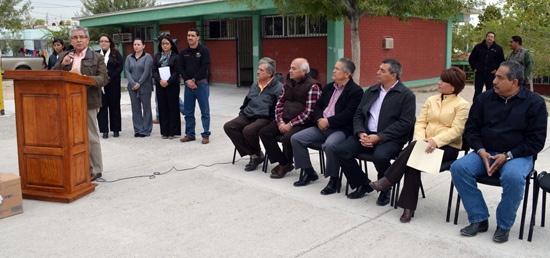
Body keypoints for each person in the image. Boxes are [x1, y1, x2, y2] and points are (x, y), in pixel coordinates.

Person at [450, 60, 547, 243]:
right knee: (459, 168)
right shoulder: (484, 99)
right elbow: (471, 130)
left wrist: (509, 155)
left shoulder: (535, 103)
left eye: (499, 78)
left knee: (513, 177)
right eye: (495, 77)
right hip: (485, 152)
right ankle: (479, 218)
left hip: (517, 155)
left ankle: (504, 225)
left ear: (514, 82)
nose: (494, 81)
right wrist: (480, 150)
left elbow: (536, 141)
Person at [369, 67, 470, 222]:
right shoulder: (431, 100)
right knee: (414, 162)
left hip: (447, 148)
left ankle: (388, 181)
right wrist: (421, 140)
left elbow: (456, 131)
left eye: (444, 81)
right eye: (440, 79)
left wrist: (435, 141)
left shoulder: (462, 105)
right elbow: (421, 122)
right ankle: (407, 207)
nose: (439, 83)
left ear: (454, 86)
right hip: (423, 144)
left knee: (413, 157)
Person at [334, 58, 415, 206]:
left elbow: (405, 124)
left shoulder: (406, 95)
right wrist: (360, 132)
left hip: (391, 139)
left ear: (393, 75)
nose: (377, 72)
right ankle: (363, 184)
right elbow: (358, 114)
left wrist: (379, 137)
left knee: (380, 156)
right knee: (340, 150)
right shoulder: (371, 91)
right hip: (366, 134)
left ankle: (385, 189)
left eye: (382, 71)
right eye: (379, 69)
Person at [290, 58, 363, 194]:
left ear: (347, 74)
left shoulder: (356, 91)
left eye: (337, 69)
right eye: (334, 68)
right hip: (321, 126)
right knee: (296, 138)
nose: (333, 71)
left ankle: (334, 180)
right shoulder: (329, 87)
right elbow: (318, 106)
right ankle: (309, 171)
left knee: (330, 145)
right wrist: (319, 120)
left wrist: (328, 122)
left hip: (340, 129)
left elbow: (349, 114)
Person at [53, 26, 109, 182]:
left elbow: (104, 78)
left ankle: (96, 169)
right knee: (69, 137)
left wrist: (86, 79)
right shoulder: (64, 55)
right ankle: (76, 166)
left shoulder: (97, 57)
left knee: (90, 137)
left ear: (88, 40)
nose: (79, 40)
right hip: (66, 103)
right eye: (75, 37)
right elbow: (52, 75)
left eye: (82, 37)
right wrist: (62, 65)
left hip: (88, 102)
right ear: (70, 41)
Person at [259, 58, 321, 179]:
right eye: (290, 68)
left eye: (294, 68)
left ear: (303, 71)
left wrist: (291, 124)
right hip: (285, 120)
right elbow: (279, 105)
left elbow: (309, 112)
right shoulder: (288, 83)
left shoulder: (313, 86)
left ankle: (286, 164)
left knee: (288, 138)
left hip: (303, 123)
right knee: (264, 132)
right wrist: (280, 122)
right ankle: (284, 163)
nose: (290, 71)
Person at [224, 57, 283, 171]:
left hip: (265, 117)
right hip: (248, 115)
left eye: (261, 70)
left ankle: (255, 156)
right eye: (258, 69)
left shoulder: (278, 88)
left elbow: (279, 107)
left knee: (249, 130)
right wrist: (242, 112)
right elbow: (246, 101)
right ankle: (256, 154)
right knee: (229, 126)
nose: (258, 72)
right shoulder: (255, 85)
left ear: (270, 73)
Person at [179, 28, 211, 144]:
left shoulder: (204, 50)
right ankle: (190, 134)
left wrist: (193, 80)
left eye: (192, 35)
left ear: (198, 37)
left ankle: (206, 134)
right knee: (188, 111)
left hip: (201, 85)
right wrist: (188, 80)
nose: (190, 38)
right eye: (188, 35)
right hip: (188, 86)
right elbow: (180, 68)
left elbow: (205, 67)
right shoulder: (183, 52)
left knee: (205, 111)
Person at [152, 34, 181, 139]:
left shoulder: (176, 57)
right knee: (162, 107)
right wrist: (160, 80)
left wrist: (168, 82)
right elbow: (154, 70)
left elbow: (177, 71)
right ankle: (164, 131)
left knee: (172, 107)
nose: (165, 45)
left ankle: (173, 131)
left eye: (167, 43)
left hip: (172, 85)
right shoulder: (157, 56)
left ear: (171, 45)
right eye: (163, 43)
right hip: (160, 85)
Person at [125, 38, 154, 137]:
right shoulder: (129, 57)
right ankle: (138, 129)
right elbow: (127, 71)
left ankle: (146, 129)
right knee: (135, 108)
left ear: (143, 46)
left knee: (146, 108)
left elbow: (147, 72)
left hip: (145, 87)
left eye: (138, 44)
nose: (136, 46)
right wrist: (133, 83)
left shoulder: (147, 57)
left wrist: (139, 83)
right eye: (134, 44)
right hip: (132, 88)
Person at [97, 34, 123, 139]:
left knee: (114, 107)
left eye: (105, 41)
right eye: (101, 41)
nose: (103, 43)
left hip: (113, 84)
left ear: (109, 43)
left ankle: (115, 129)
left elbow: (120, 67)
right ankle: (104, 131)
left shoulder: (115, 53)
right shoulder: (96, 54)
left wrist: (110, 78)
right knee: (102, 108)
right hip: (100, 86)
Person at [469, 31, 505, 101]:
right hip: (479, 73)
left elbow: (502, 61)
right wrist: (474, 67)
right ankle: (476, 107)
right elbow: (471, 59)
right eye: (488, 36)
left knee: (491, 91)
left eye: (492, 37)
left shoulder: (498, 48)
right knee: (477, 91)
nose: (490, 38)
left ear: (494, 39)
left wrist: (496, 69)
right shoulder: (478, 47)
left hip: (491, 74)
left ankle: (490, 106)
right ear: (486, 38)